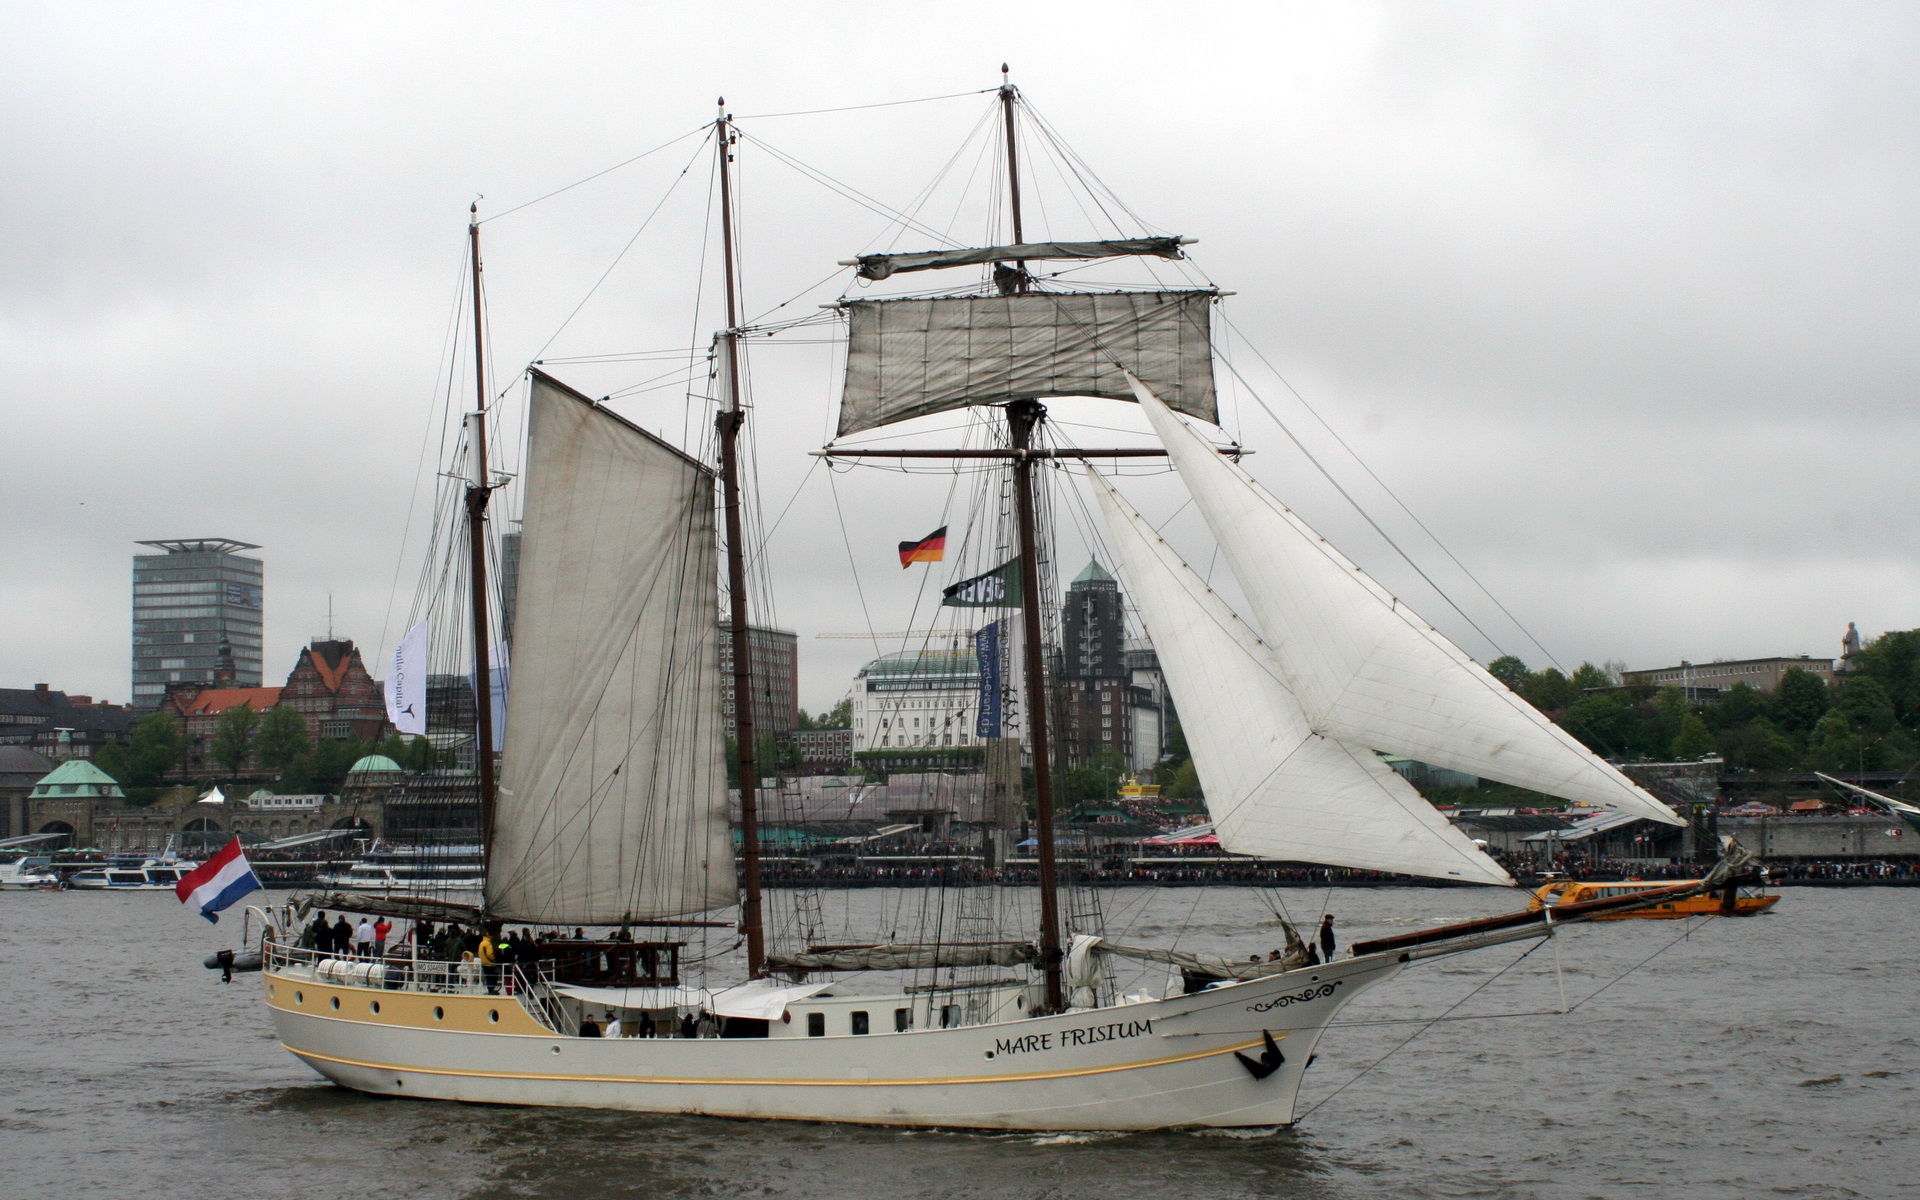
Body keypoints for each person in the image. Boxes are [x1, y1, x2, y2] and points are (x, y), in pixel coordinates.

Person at [477, 928, 500, 994]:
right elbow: (490, 954)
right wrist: (495, 960)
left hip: (484, 963)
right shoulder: (488, 944)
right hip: (490, 964)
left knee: (488, 978)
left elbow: (480, 953)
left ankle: (490, 989)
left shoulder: (481, 943)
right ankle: (492, 990)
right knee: (493, 977)